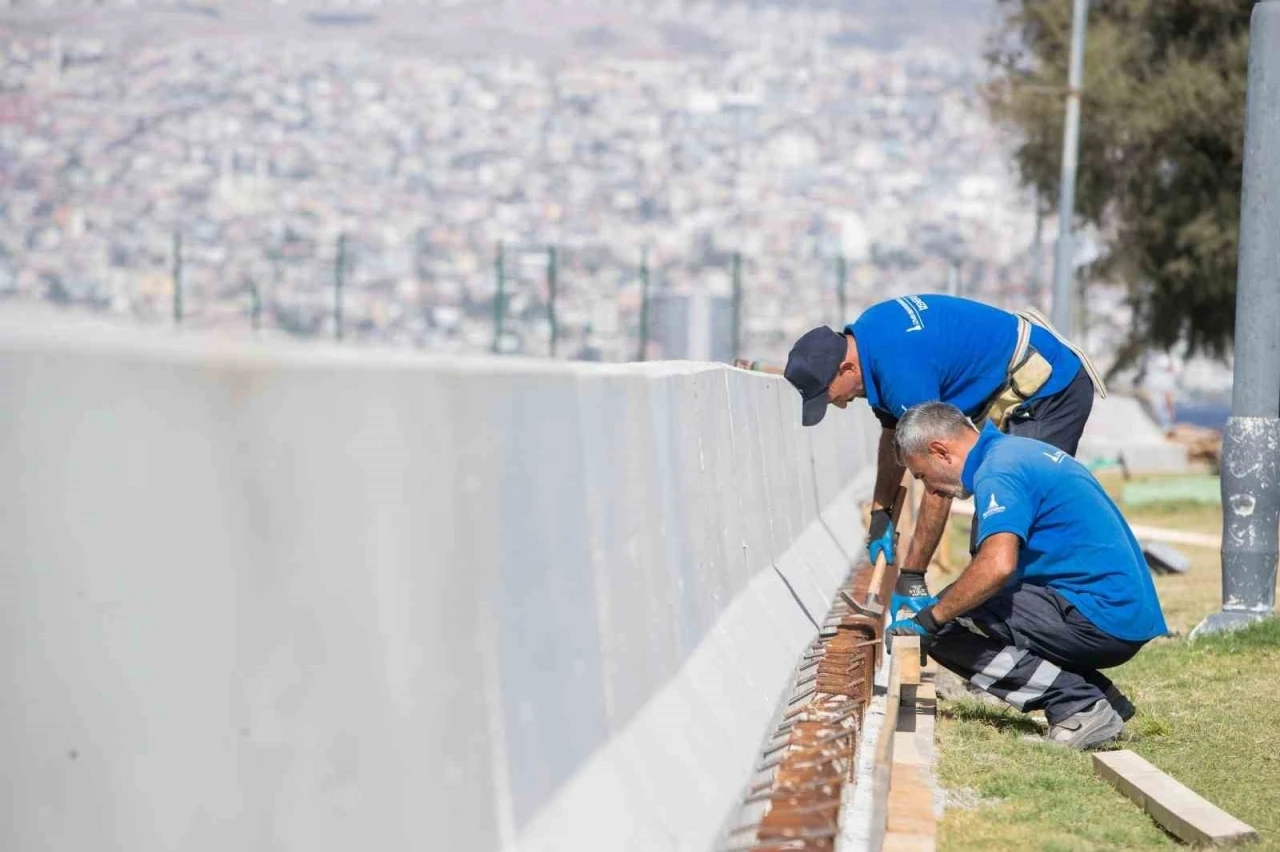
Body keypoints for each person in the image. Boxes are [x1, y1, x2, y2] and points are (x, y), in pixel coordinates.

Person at [782, 295, 1105, 613]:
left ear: (847, 368)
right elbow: (895, 433)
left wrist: (912, 574)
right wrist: (882, 511)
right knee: (995, 533)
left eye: (829, 396)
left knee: (1005, 527)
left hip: (1050, 391)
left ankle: (1062, 618)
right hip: (1012, 392)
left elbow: (940, 476)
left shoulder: (901, 373)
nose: (837, 404)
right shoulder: (870, 338)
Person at [884, 402, 1167, 749]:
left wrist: (929, 619)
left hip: (1103, 617)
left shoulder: (998, 471)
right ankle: (1101, 696)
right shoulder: (1012, 452)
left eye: (922, 475)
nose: (932, 490)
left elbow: (997, 565)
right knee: (955, 607)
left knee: (943, 627)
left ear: (940, 451)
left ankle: (1078, 706)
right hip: (1117, 610)